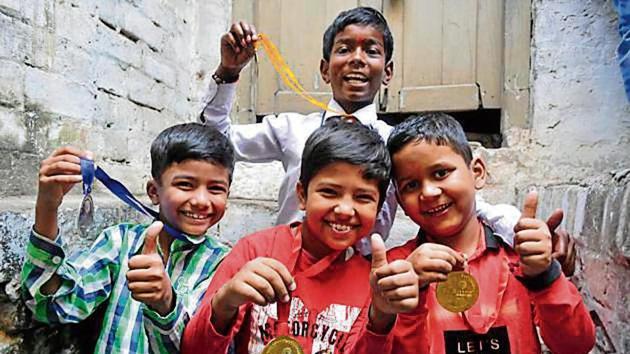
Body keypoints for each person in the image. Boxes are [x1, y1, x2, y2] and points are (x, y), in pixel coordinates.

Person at [198, 6, 522, 247]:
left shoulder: (398, 145)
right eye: (344, 49)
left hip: (360, 288)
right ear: (325, 70)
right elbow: (215, 144)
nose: (357, 59)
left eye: (371, 50)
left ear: (388, 72)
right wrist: (228, 72)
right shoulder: (290, 129)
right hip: (287, 271)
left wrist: (518, 228)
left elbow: (460, 199)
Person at [181, 121, 418, 354]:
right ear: (302, 195)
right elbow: (194, 348)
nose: (345, 209)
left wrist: (381, 318)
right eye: (329, 192)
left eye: (363, 197)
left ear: (378, 209)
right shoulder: (256, 250)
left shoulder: (373, 284)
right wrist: (225, 301)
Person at [384, 113, 595, 354]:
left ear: (477, 172)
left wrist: (545, 275)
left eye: (441, 173)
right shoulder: (398, 269)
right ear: (400, 201)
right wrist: (414, 296)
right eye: (411, 185)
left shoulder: (519, 255)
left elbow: (576, 345)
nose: (429, 192)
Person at [20, 123, 235, 353]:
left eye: (215, 189)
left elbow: (202, 347)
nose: (201, 200)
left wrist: (165, 304)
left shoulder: (225, 264)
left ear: (228, 196)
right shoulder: (121, 242)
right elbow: (54, 305)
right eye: (185, 185)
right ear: (154, 192)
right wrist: (47, 208)